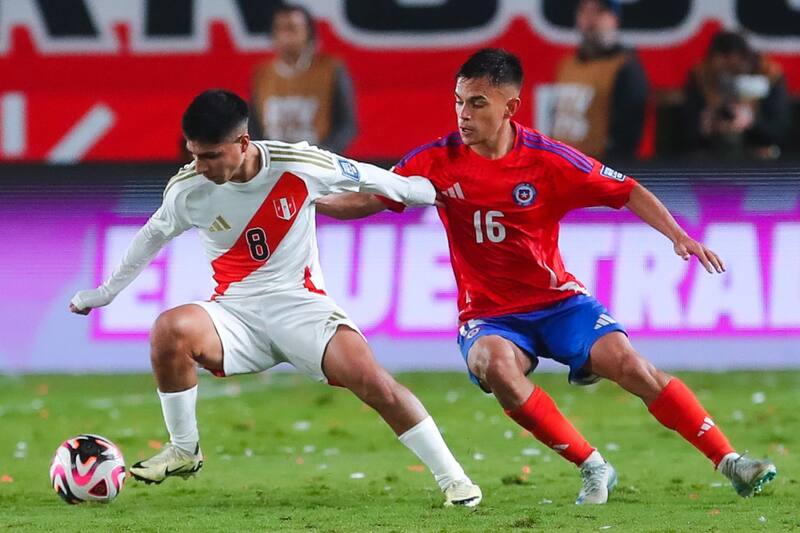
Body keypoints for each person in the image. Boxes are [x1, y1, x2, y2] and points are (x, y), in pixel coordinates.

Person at [317, 49, 777, 504]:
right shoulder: (435, 160)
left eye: (477, 102)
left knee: (632, 366)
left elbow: (626, 190)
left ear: (509, 107)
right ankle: (592, 466)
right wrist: (310, 200)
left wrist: (679, 236)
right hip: (489, 315)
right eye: (458, 100)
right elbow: (368, 199)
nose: (463, 114)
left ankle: (730, 461)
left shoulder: (548, 159)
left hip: (559, 303)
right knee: (496, 366)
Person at [68, 89, 481, 508]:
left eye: (211, 155)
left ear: (243, 143)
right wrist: (105, 293)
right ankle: (184, 450)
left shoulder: (298, 163)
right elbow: (151, 236)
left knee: (375, 383)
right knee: (169, 330)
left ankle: (455, 482)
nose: (200, 166)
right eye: (195, 154)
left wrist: (426, 192)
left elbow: (369, 176)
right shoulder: (187, 190)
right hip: (234, 314)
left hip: (302, 307)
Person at [250, 4, 357, 153]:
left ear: (308, 33)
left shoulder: (330, 70)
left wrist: (325, 154)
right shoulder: (263, 74)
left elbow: (346, 125)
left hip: (317, 160)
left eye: (292, 29)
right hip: (274, 162)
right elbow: (254, 125)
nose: (285, 36)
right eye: (279, 29)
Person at [549, 0, 647, 160]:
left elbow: (626, 138)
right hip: (561, 168)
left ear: (614, 18)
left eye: (598, 12)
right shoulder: (567, 65)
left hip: (597, 171)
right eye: (584, 11)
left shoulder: (625, 68)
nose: (590, 19)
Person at [682, 30, 791, 160]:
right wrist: (704, 124)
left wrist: (753, 122)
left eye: (736, 73)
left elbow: (781, 128)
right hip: (711, 155)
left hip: (762, 153)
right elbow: (684, 132)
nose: (729, 80)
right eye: (722, 76)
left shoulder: (769, 74)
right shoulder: (701, 76)